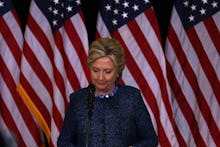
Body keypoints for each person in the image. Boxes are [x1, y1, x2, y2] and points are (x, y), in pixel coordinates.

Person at [57, 38, 158, 147]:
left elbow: (150, 140)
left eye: (107, 71)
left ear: (118, 71)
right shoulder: (78, 100)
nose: (100, 77)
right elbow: (63, 142)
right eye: (95, 70)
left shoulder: (132, 97)